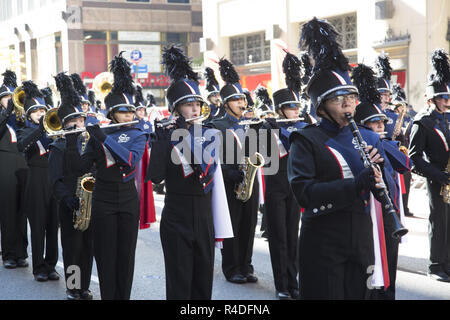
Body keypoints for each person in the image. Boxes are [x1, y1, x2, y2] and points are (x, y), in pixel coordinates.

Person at [288, 17, 389, 299]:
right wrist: (357, 184)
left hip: (361, 237)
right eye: (338, 98)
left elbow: (382, 192)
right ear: (320, 107)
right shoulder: (306, 140)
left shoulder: (369, 138)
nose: (348, 103)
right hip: (322, 239)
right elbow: (305, 193)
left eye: (351, 96)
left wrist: (382, 184)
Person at [146, 45, 232, 299]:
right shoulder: (167, 134)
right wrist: (162, 141)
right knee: (179, 283)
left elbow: (203, 169)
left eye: (197, 104)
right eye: (188, 105)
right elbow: (155, 176)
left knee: (202, 283)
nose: (195, 110)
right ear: (176, 110)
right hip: (175, 215)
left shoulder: (210, 133)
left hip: (204, 216)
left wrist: (182, 136)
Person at [68, 52, 148, 299]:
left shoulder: (139, 133)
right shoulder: (100, 133)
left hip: (126, 199)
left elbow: (130, 160)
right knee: (105, 255)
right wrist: (73, 139)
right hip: (102, 200)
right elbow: (81, 166)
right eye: (123, 111)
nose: (129, 116)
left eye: (131, 111)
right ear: (112, 113)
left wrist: (102, 138)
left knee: (125, 256)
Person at [352, 63, 412, 300]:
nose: (381, 125)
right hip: (367, 214)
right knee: (371, 268)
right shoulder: (358, 145)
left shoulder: (386, 143)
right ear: (363, 126)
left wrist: (387, 142)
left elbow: (405, 165)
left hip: (389, 213)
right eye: (375, 123)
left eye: (382, 122)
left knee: (390, 265)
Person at [257, 51, 310, 300]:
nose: (295, 110)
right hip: (275, 190)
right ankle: (281, 284)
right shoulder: (268, 129)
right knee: (278, 238)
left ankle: (294, 281)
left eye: (296, 106)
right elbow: (262, 161)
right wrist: (264, 132)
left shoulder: (302, 128)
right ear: (280, 109)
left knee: (294, 237)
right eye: (291, 107)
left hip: (295, 190)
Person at [210, 58, 261, 284]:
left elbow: (262, 153)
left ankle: (246, 265)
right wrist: (226, 171)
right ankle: (231, 268)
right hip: (229, 181)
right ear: (226, 103)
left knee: (249, 224)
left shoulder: (250, 123)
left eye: (243, 99)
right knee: (232, 224)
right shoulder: (216, 125)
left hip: (249, 179)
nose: (242, 103)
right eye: (237, 100)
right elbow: (211, 156)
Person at [48, 72, 94, 300]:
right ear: (65, 124)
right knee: (73, 249)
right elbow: (55, 180)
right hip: (70, 204)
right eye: (73, 122)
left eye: (82, 120)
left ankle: (84, 286)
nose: (79, 124)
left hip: (90, 202)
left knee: (87, 249)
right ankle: (73, 287)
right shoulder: (58, 148)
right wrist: (67, 198)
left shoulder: (90, 144)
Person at [409, 49, 450, 282]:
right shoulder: (422, 122)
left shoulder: (449, 118)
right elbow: (414, 158)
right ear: (431, 99)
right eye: (443, 98)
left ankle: (448, 263)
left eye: (448, 98)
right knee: (439, 220)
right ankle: (435, 266)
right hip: (436, 177)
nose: (447, 102)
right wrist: (438, 175)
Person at [16, 80, 59, 282]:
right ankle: (39, 267)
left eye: (43, 109)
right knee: (38, 225)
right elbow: (23, 146)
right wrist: (41, 127)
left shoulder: (54, 129)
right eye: (36, 111)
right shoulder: (25, 130)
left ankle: (51, 265)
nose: (41, 113)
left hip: (54, 179)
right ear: (29, 114)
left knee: (53, 224)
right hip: (36, 179)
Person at [0, 70, 29, 270]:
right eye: (7, 97)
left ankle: (21, 252)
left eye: (13, 97)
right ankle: (9, 253)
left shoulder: (21, 116)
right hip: (5, 162)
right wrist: (6, 112)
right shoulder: (2, 116)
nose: (11, 100)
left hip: (23, 162)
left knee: (22, 209)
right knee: (8, 209)